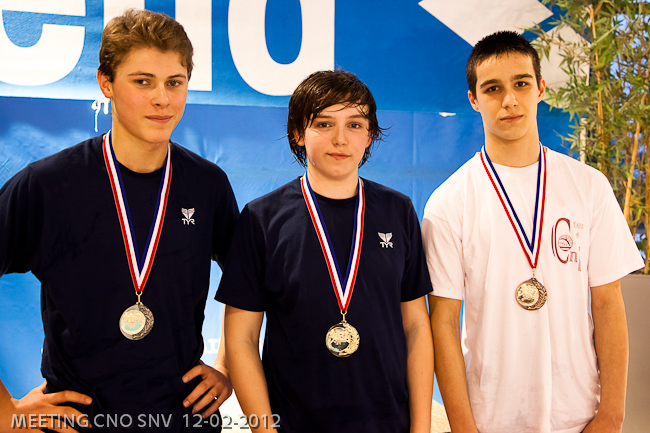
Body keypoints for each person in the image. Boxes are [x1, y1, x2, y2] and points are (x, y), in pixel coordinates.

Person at [0, 9, 238, 432]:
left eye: (174, 82)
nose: (162, 99)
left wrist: (227, 365)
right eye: (143, 81)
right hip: (80, 421)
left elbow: (250, 282)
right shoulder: (48, 185)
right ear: (105, 83)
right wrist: (6, 412)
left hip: (184, 418)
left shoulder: (207, 184)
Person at [422, 30, 644, 433]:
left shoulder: (588, 186)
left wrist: (612, 415)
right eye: (493, 88)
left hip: (579, 417)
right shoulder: (449, 202)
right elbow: (443, 322)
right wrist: (464, 426)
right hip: (490, 420)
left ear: (540, 88)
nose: (509, 100)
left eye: (521, 84)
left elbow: (608, 303)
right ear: (474, 99)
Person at [216, 70, 434, 433]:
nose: (340, 139)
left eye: (355, 125)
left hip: (388, 423)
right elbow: (242, 340)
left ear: (369, 135)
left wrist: (421, 429)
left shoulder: (398, 211)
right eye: (324, 123)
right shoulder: (261, 219)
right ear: (298, 133)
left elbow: (415, 327)